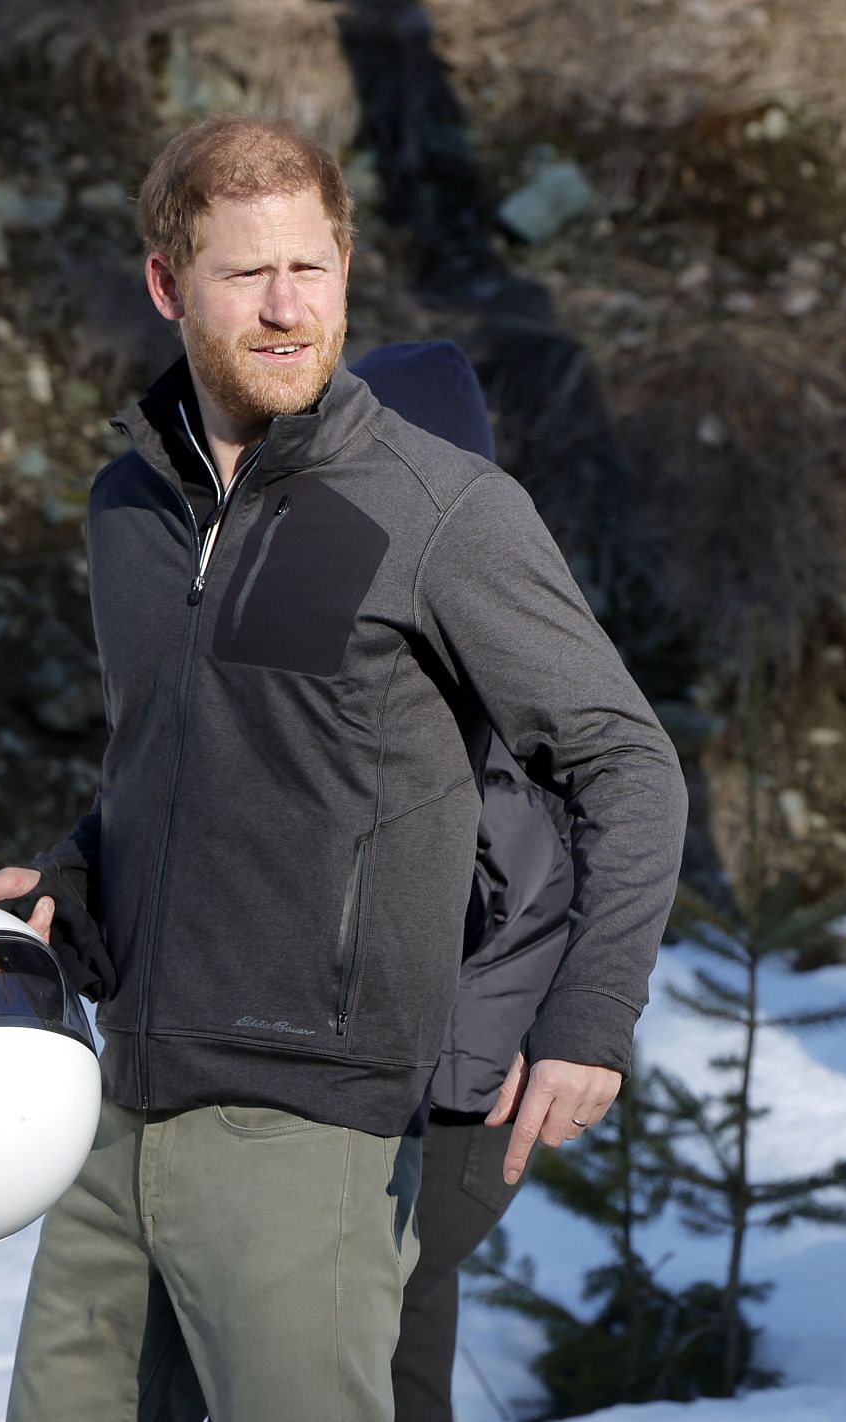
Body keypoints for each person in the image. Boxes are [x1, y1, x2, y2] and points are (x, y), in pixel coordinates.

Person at [0, 114, 688, 1422]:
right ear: (169, 286)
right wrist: (70, 879)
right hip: (122, 1107)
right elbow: (177, 765)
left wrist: (586, 1021)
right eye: (246, 274)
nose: (288, 309)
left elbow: (625, 761)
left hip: (314, 1122)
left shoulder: (436, 508)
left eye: (312, 268)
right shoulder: (130, 507)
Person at [349, 342, 575, 1422]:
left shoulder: (466, 655)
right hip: (448, 1101)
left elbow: (514, 885)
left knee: (364, 1345)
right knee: (401, 1351)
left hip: (447, 1108)